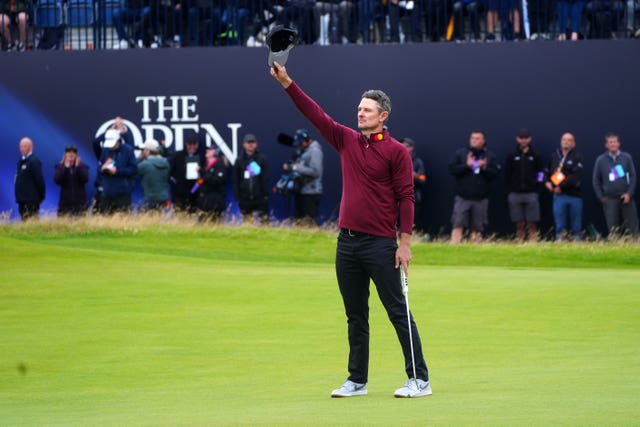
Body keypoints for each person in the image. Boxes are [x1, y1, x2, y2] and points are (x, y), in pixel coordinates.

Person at [270, 61, 431, 398]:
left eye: (367, 110)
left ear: (383, 115)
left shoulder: (397, 152)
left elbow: (406, 197)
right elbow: (314, 114)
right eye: (359, 108)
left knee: (397, 311)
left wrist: (405, 243)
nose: (360, 114)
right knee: (355, 315)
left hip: (381, 246)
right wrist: (287, 82)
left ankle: (420, 380)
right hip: (347, 244)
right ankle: (357, 380)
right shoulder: (346, 140)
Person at [448, 130, 500, 244]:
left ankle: (474, 248)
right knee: (458, 224)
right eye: (472, 138)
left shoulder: (489, 156)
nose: (474, 141)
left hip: (480, 198)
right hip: (463, 197)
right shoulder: (461, 153)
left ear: (483, 141)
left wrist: (484, 168)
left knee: (477, 227)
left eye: (477, 138)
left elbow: (495, 173)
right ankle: (453, 247)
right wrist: (467, 165)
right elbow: (452, 169)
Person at [592, 132, 638, 238]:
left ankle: (635, 247)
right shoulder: (600, 160)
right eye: (610, 142)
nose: (612, 144)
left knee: (632, 226)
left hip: (626, 198)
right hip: (609, 199)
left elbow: (633, 176)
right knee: (613, 227)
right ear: (606, 145)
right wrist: (601, 197)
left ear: (619, 144)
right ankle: (615, 248)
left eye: (614, 142)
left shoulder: (627, 158)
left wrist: (629, 194)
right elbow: (595, 180)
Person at [504, 129, 544, 242]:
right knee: (519, 223)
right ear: (517, 139)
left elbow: (540, 174)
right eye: (521, 138)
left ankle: (533, 243)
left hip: (531, 193)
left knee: (532, 222)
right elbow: (507, 175)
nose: (523, 140)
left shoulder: (536, 156)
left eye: (526, 138)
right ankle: (520, 243)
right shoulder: (511, 156)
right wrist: (509, 191)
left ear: (530, 139)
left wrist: (538, 190)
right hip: (515, 194)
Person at [544, 132, 584, 241]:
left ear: (574, 143)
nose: (566, 142)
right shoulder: (554, 156)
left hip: (574, 196)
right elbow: (545, 171)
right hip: (559, 197)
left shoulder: (577, 157)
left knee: (576, 225)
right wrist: (546, 182)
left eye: (569, 140)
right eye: (564, 140)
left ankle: (577, 246)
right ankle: (560, 245)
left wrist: (560, 186)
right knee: (560, 224)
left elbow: (575, 176)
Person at [283, 129, 323, 225]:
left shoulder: (315, 151)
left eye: (301, 143)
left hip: (311, 193)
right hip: (302, 190)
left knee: (309, 222)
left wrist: (296, 167)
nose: (299, 146)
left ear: (307, 140)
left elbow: (316, 172)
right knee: (299, 222)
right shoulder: (304, 151)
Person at [98, 129, 138, 214]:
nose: (111, 147)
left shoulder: (128, 150)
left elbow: (134, 169)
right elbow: (99, 167)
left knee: (123, 220)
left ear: (118, 141)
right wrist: (102, 168)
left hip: (123, 193)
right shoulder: (105, 150)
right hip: (107, 192)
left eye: (113, 144)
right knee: (105, 220)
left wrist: (117, 171)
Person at [232, 133, 270, 224]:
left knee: (265, 223)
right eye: (248, 142)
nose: (250, 144)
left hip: (259, 198)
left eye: (252, 142)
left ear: (256, 144)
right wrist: (238, 197)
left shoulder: (262, 159)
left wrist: (265, 196)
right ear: (244, 145)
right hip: (245, 198)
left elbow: (265, 179)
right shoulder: (239, 160)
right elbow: (236, 180)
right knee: (248, 225)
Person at [169, 138, 204, 213]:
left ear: (197, 145)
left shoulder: (201, 157)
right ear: (186, 144)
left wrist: (195, 189)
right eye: (189, 144)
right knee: (179, 215)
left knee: (192, 216)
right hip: (179, 194)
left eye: (194, 144)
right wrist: (175, 186)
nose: (192, 146)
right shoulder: (177, 155)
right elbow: (168, 173)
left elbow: (203, 177)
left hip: (194, 194)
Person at [53, 145, 90, 216]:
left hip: (80, 204)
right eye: (69, 152)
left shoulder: (83, 166)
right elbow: (57, 180)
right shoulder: (60, 167)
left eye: (73, 153)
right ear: (65, 154)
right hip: (65, 204)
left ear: (76, 155)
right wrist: (66, 169)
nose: (71, 154)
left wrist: (77, 167)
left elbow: (85, 179)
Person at [15, 137, 45, 221]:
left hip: (31, 200)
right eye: (20, 146)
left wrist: (41, 196)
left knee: (32, 223)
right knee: (24, 224)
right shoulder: (20, 162)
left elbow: (40, 180)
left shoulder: (34, 161)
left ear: (31, 147)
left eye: (24, 146)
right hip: (22, 200)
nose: (21, 149)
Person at [196, 145, 229, 221]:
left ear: (216, 152)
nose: (207, 151)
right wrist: (194, 190)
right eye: (207, 149)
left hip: (215, 201)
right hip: (203, 200)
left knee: (215, 224)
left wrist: (202, 173)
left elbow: (216, 181)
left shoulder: (220, 165)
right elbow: (200, 181)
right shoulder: (204, 165)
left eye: (210, 150)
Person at [401, 137, 427, 232]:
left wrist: (414, 176)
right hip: (394, 197)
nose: (403, 147)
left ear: (411, 148)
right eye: (401, 144)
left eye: (406, 145)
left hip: (413, 196)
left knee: (411, 221)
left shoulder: (417, 162)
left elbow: (422, 179)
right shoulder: (394, 158)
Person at [137, 139, 170, 211]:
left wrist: (139, 158)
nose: (143, 151)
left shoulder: (145, 164)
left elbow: (133, 170)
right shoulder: (165, 163)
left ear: (148, 151)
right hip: (164, 198)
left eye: (144, 150)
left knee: (148, 220)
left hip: (150, 199)